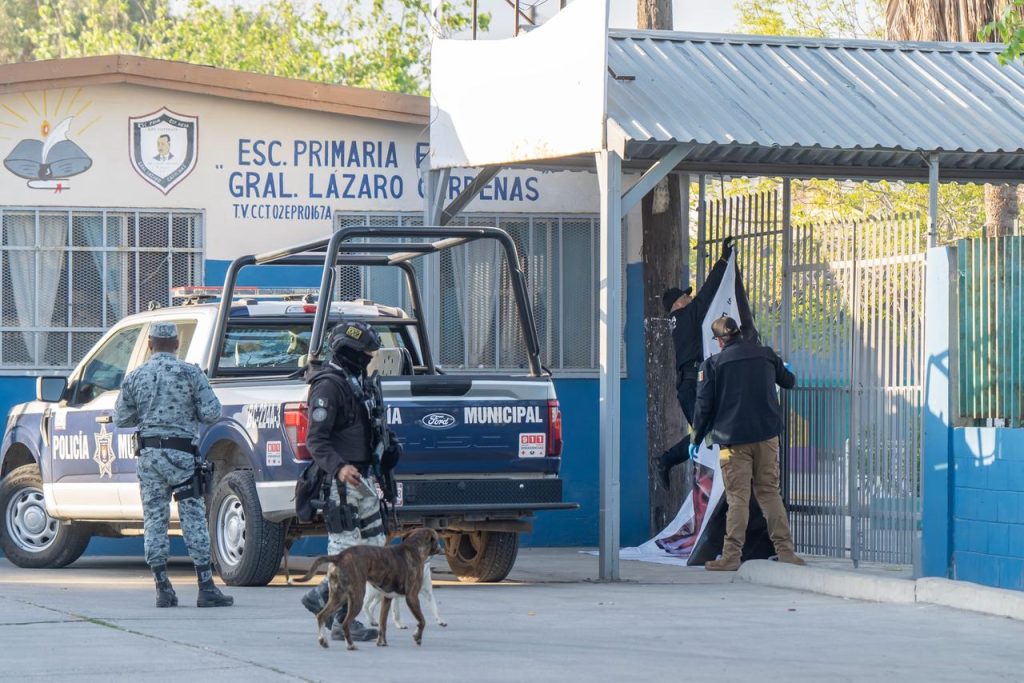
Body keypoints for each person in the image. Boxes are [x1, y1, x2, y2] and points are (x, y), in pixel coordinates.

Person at [114, 322, 233, 607]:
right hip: (182, 456)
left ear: (150, 344)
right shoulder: (190, 373)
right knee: (193, 517)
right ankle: (206, 587)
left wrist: (148, 415)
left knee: (154, 519)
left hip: (150, 458)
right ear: (177, 344)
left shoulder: (135, 376)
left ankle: (162, 587)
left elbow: (121, 418)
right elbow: (212, 412)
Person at [299, 321, 400, 642]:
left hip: (364, 480)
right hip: (340, 483)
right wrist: (339, 467)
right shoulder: (328, 386)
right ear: (348, 352)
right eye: (365, 352)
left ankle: (319, 596)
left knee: (373, 548)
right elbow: (316, 440)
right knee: (345, 552)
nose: (370, 358)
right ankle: (342, 619)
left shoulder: (359, 382)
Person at [690, 316, 805, 571]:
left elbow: (703, 405)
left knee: (737, 499)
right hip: (766, 437)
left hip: (733, 442)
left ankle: (731, 557)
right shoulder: (766, 355)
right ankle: (786, 552)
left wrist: (696, 437)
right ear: (739, 333)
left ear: (720, 341)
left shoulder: (713, 365)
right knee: (770, 493)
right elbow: (789, 382)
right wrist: (781, 368)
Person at [655, 237, 735, 488]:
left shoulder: (680, 320)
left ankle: (674, 463)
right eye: (686, 298)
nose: (691, 299)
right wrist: (723, 261)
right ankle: (667, 461)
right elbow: (708, 293)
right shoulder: (687, 315)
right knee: (707, 433)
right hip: (691, 385)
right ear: (679, 304)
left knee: (707, 432)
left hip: (691, 384)